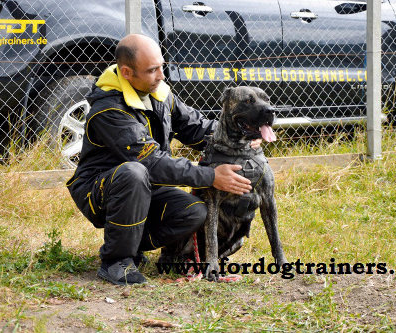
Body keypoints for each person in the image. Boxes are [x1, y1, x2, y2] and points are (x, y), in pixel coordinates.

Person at [66, 34, 260, 285]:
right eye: (152, 70)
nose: (161, 75)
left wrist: (242, 134)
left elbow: (197, 128)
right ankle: (116, 260)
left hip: (145, 187)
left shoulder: (160, 93)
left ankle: (131, 243)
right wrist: (212, 176)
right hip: (100, 191)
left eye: (161, 66)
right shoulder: (109, 110)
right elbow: (151, 162)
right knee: (133, 173)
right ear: (127, 72)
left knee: (194, 212)